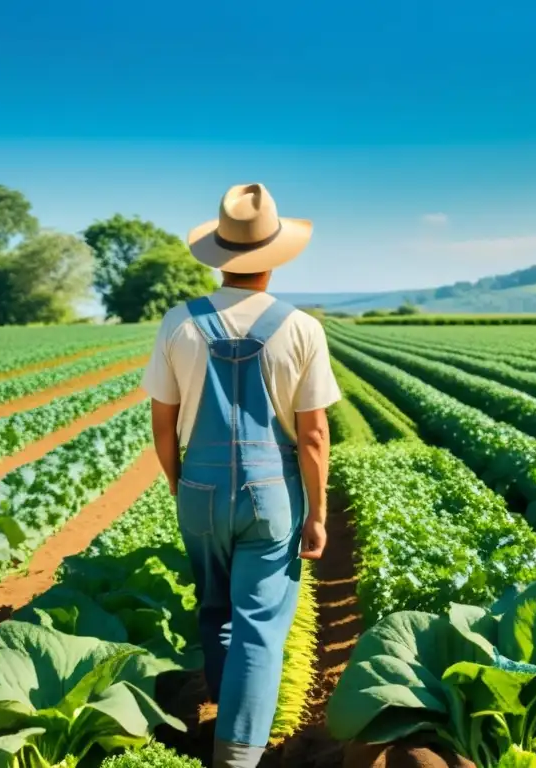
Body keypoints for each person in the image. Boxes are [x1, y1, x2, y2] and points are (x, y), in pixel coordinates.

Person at [142, 183, 341, 768]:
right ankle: (236, 758)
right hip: (271, 492)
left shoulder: (178, 323)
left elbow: (162, 423)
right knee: (259, 626)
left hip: (199, 487)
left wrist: (182, 485)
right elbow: (313, 436)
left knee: (216, 611)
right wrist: (317, 513)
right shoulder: (302, 328)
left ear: (221, 255)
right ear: (274, 258)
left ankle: (219, 725)